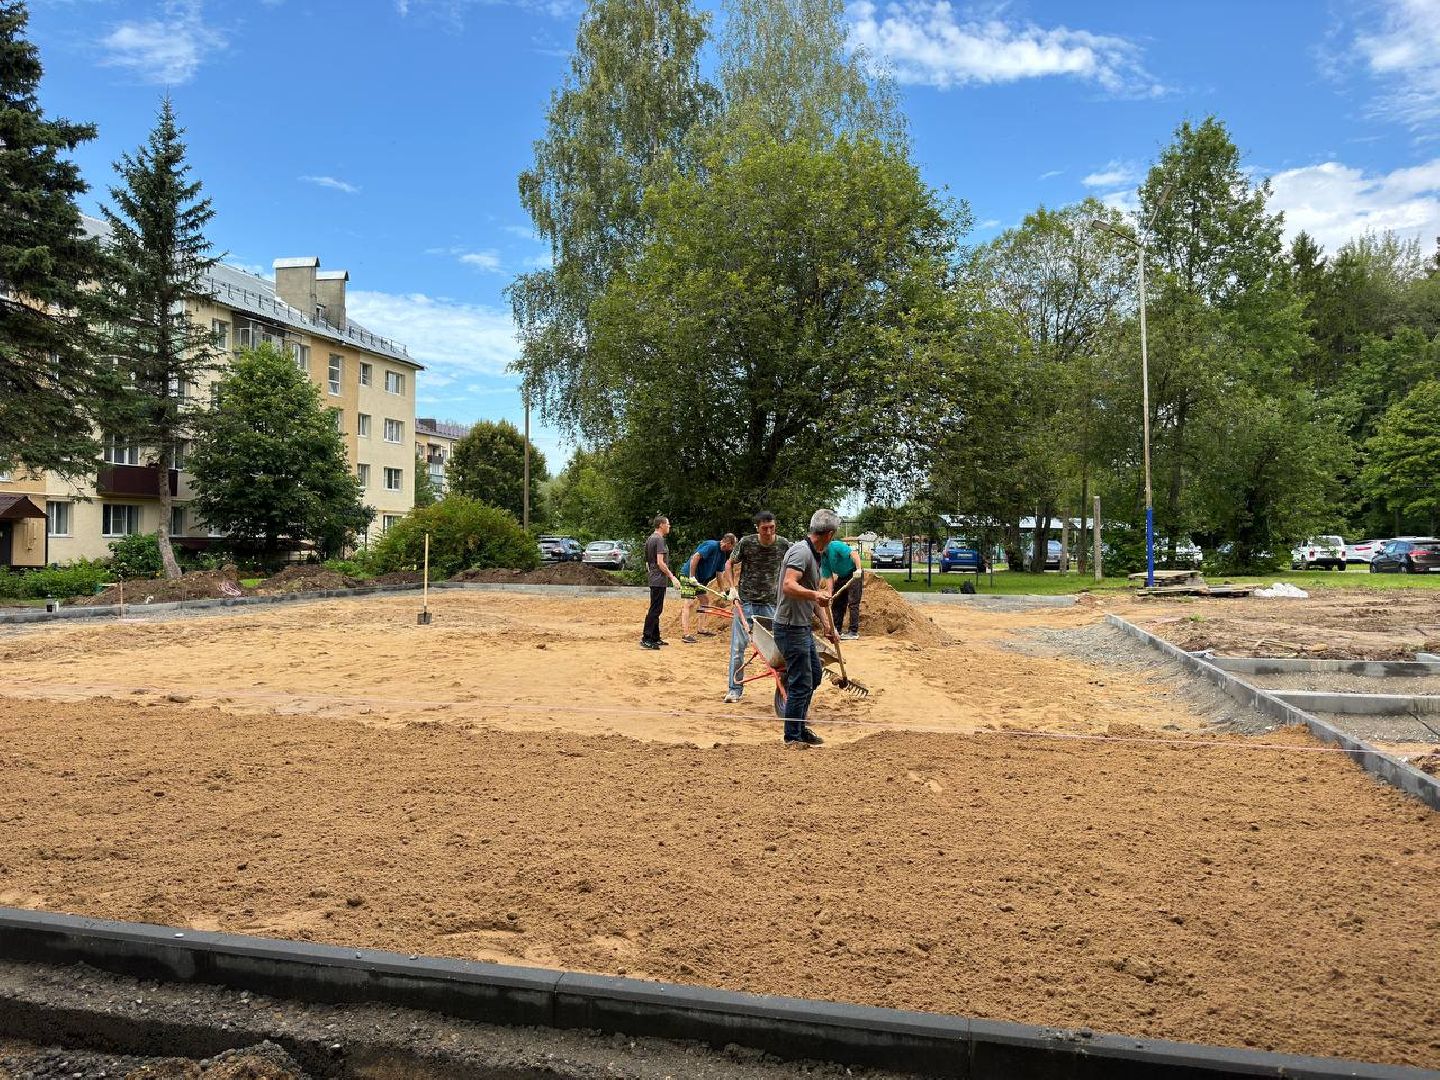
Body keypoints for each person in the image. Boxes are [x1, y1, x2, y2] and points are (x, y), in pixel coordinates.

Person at [773, 509, 839, 747]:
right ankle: (792, 736)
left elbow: (813, 598)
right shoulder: (801, 553)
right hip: (790, 628)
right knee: (801, 682)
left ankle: (800, 728)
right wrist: (815, 593)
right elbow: (788, 585)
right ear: (829, 534)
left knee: (814, 676)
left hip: (802, 627)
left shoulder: (815, 553)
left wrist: (826, 624)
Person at [723, 511, 791, 703]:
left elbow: (794, 566)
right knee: (738, 648)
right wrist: (733, 589)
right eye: (764, 528)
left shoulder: (783, 545)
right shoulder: (747, 543)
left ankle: (785, 688)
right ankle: (734, 689)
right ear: (757, 528)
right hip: (746, 602)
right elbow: (729, 564)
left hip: (771, 604)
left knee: (778, 650)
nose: (768, 532)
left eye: (772, 528)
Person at [680, 533, 736, 643]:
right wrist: (691, 576)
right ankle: (686, 634)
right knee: (689, 603)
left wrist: (722, 591)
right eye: (733, 546)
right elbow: (695, 557)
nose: (733, 548)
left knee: (705, 600)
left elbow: (719, 574)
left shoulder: (722, 555)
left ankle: (701, 629)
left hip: (699, 579)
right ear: (728, 543)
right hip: (688, 575)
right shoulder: (711, 546)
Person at [641, 515, 681, 650]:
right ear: (661, 525)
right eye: (668, 524)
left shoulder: (650, 538)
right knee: (655, 609)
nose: (669, 526)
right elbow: (660, 562)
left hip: (654, 577)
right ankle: (646, 638)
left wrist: (652, 574)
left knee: (656, 608)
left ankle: (655, 637)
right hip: (658, 579)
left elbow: (647, 562)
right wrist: (672, 577)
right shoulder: (659, 540)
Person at [820, 536, 863, 640]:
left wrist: (858, 569)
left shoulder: (835, 546)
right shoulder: (823, 558)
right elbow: (828, 577)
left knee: (853, 602)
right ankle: (836, 629)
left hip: (854, 573)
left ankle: (853, 632)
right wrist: (830, 594)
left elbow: (854, 554)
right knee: (837, 601)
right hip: (842, 576)